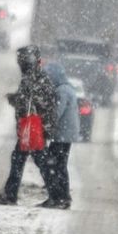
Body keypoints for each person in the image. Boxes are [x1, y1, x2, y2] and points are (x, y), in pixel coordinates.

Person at [0, 45, 59, 207]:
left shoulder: (34, 78)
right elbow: (37, 101)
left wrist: (16, 100)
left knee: (34, 161)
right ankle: (12, 194)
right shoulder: (37, 77)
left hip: (34, 129)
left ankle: (55, 196)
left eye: (22, 60)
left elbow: (35, 102)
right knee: (24, 160)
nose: (20, 63)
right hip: (34, 128)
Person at [42, 61, 81, 209]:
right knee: (58, 164)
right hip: (65, 133)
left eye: (48, 76)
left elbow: (56, 113)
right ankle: (60, 197)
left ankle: (59, 197)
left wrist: (45, 124)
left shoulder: (62, 91)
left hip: (63, 134)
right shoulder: (66, 88)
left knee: (54, 164)